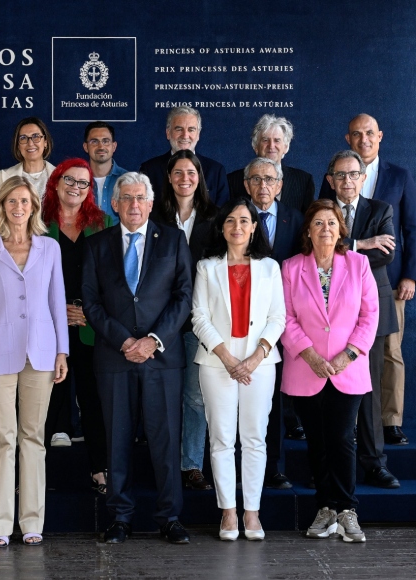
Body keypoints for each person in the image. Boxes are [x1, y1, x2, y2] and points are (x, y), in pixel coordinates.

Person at [82, 172, 194, 545]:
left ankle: (170, 517)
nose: (134, 205)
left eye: (140, 198)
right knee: (117, 440)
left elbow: (183, 296)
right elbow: (91, 303)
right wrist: (125, 341)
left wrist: (153, 340)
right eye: (126, 198)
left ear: (150, 203)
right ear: (114, 204)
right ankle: (120, 517)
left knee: (166, 440)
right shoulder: (96, 245)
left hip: (162, 358)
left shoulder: (174, 240)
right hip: (115, 358)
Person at [0, 175, 69, 547]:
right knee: (2, 440)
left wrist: (62, 351)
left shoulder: (50, 248)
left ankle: (31, 522)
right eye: (11, 201)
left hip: (41, 354)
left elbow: (57, 302)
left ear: (34, 207)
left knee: (33, 438)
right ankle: (0, 524)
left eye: (25, 201)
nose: (18, 207)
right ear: (1, 206)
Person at [319, 113, 416, 446]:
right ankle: (349, 421)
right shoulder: (336, 176)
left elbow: (411, 230)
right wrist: (361, 245)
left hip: (386, 281)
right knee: (343, 348)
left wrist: (411, 275)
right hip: (337, 287)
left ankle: (390, 421)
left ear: (380, 136)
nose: (364, 139)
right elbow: (323, 232)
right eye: (356, 134)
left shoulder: (399, 176)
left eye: (369, 133)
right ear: (348, 139)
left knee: (390, 351)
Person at [281, 199, 379, 544]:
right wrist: (309, 355)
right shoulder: (291, 267)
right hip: (305, 368)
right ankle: (325, 508)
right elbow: (286, 317)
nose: (325, 229)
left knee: (342, 438)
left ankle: (347, 509)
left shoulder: (358, 264)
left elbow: (370, 315)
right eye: (318, 223)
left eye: (332, 223)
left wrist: (347, 355)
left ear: (341, 230)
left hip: (347, 369)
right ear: (308, 231)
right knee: (317, 442)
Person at [192, 198, 286, 541]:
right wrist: (229, 358)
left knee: (254, 438)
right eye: (230, 220)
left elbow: (278, 317)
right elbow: (199, 317)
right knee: (221, 438)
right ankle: (229, 512)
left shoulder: (270, 268)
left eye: (244, 220)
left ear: (254, 227)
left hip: (260, 365)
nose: (237, 227)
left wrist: (256, 357)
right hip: (217, 364)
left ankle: (252, 512)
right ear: (221, 227)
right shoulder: (207, 267)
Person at [323, 150, 401, 489]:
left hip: (371, 310)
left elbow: (385, 256)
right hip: (329, 312)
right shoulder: (321, 211)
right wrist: (361, 243)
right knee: (328, 388)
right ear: (330, 180)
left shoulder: (381, 210)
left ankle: (374, 463)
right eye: (340, 175)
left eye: (353, 174)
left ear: (363, 177)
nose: (347, 181)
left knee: (369, 389)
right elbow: (316, 252)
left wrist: (342, 248)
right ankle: (329, 464)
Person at [41, 158, 113, 492]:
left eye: (83, 182)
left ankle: (100, 468)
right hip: (47, 326)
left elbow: (114, 280)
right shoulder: (37, 222)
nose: (75, 187)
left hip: (89, 326)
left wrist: (89, 312)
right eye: (69, 180)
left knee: (93, 400)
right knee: (43, 402)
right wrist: (59, 310)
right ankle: (33, 474)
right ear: (56, 182)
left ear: (90, 189)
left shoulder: (103, 224)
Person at [152, 150, 218, 492]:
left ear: (199, 177)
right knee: (161, 396)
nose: (184, 179)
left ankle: (191, 464)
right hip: (160, 321)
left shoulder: (216, 218)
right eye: (177, 172)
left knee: (194, 396)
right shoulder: (155, 217)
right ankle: (162, 463)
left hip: (199, 321)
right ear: (168, 178)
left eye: (191, 172)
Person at [243, 157, 303, 489]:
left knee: (276, 398)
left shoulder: (297, 219)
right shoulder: (236, 217)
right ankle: (238, 465)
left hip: (284, 318)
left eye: (269, 179)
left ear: (280, 185)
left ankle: (273, 466)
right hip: (242, 318)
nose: (263, 185)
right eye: (256, 179)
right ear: (246, 185)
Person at [139, 106, 230, 208]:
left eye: (191, 130)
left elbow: (222, 214)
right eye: (179, 129)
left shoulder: (216, 171)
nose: (185, 136)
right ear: (168, 133)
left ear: (198, 135)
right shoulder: (149, 170)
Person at [228, 115, 316, 214]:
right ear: (255, 146)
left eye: (277, 140)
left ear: (286, 147)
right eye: (265, 140)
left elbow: (309, 220)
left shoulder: (303, 181)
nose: (271, 146)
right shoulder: (233, 181)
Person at [0, 117, 56, 207]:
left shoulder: (60, 177)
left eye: (36, 136)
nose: (30, 143)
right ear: (18, 145)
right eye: (23, 138)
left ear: (45, 142)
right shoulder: (3, 177)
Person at [82, 121, 127, 224]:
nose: (101, 147)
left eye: (106, 141)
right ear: (85, 147)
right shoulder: (75, 181)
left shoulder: (127, 180)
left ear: (114, 146)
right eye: (94, 141)